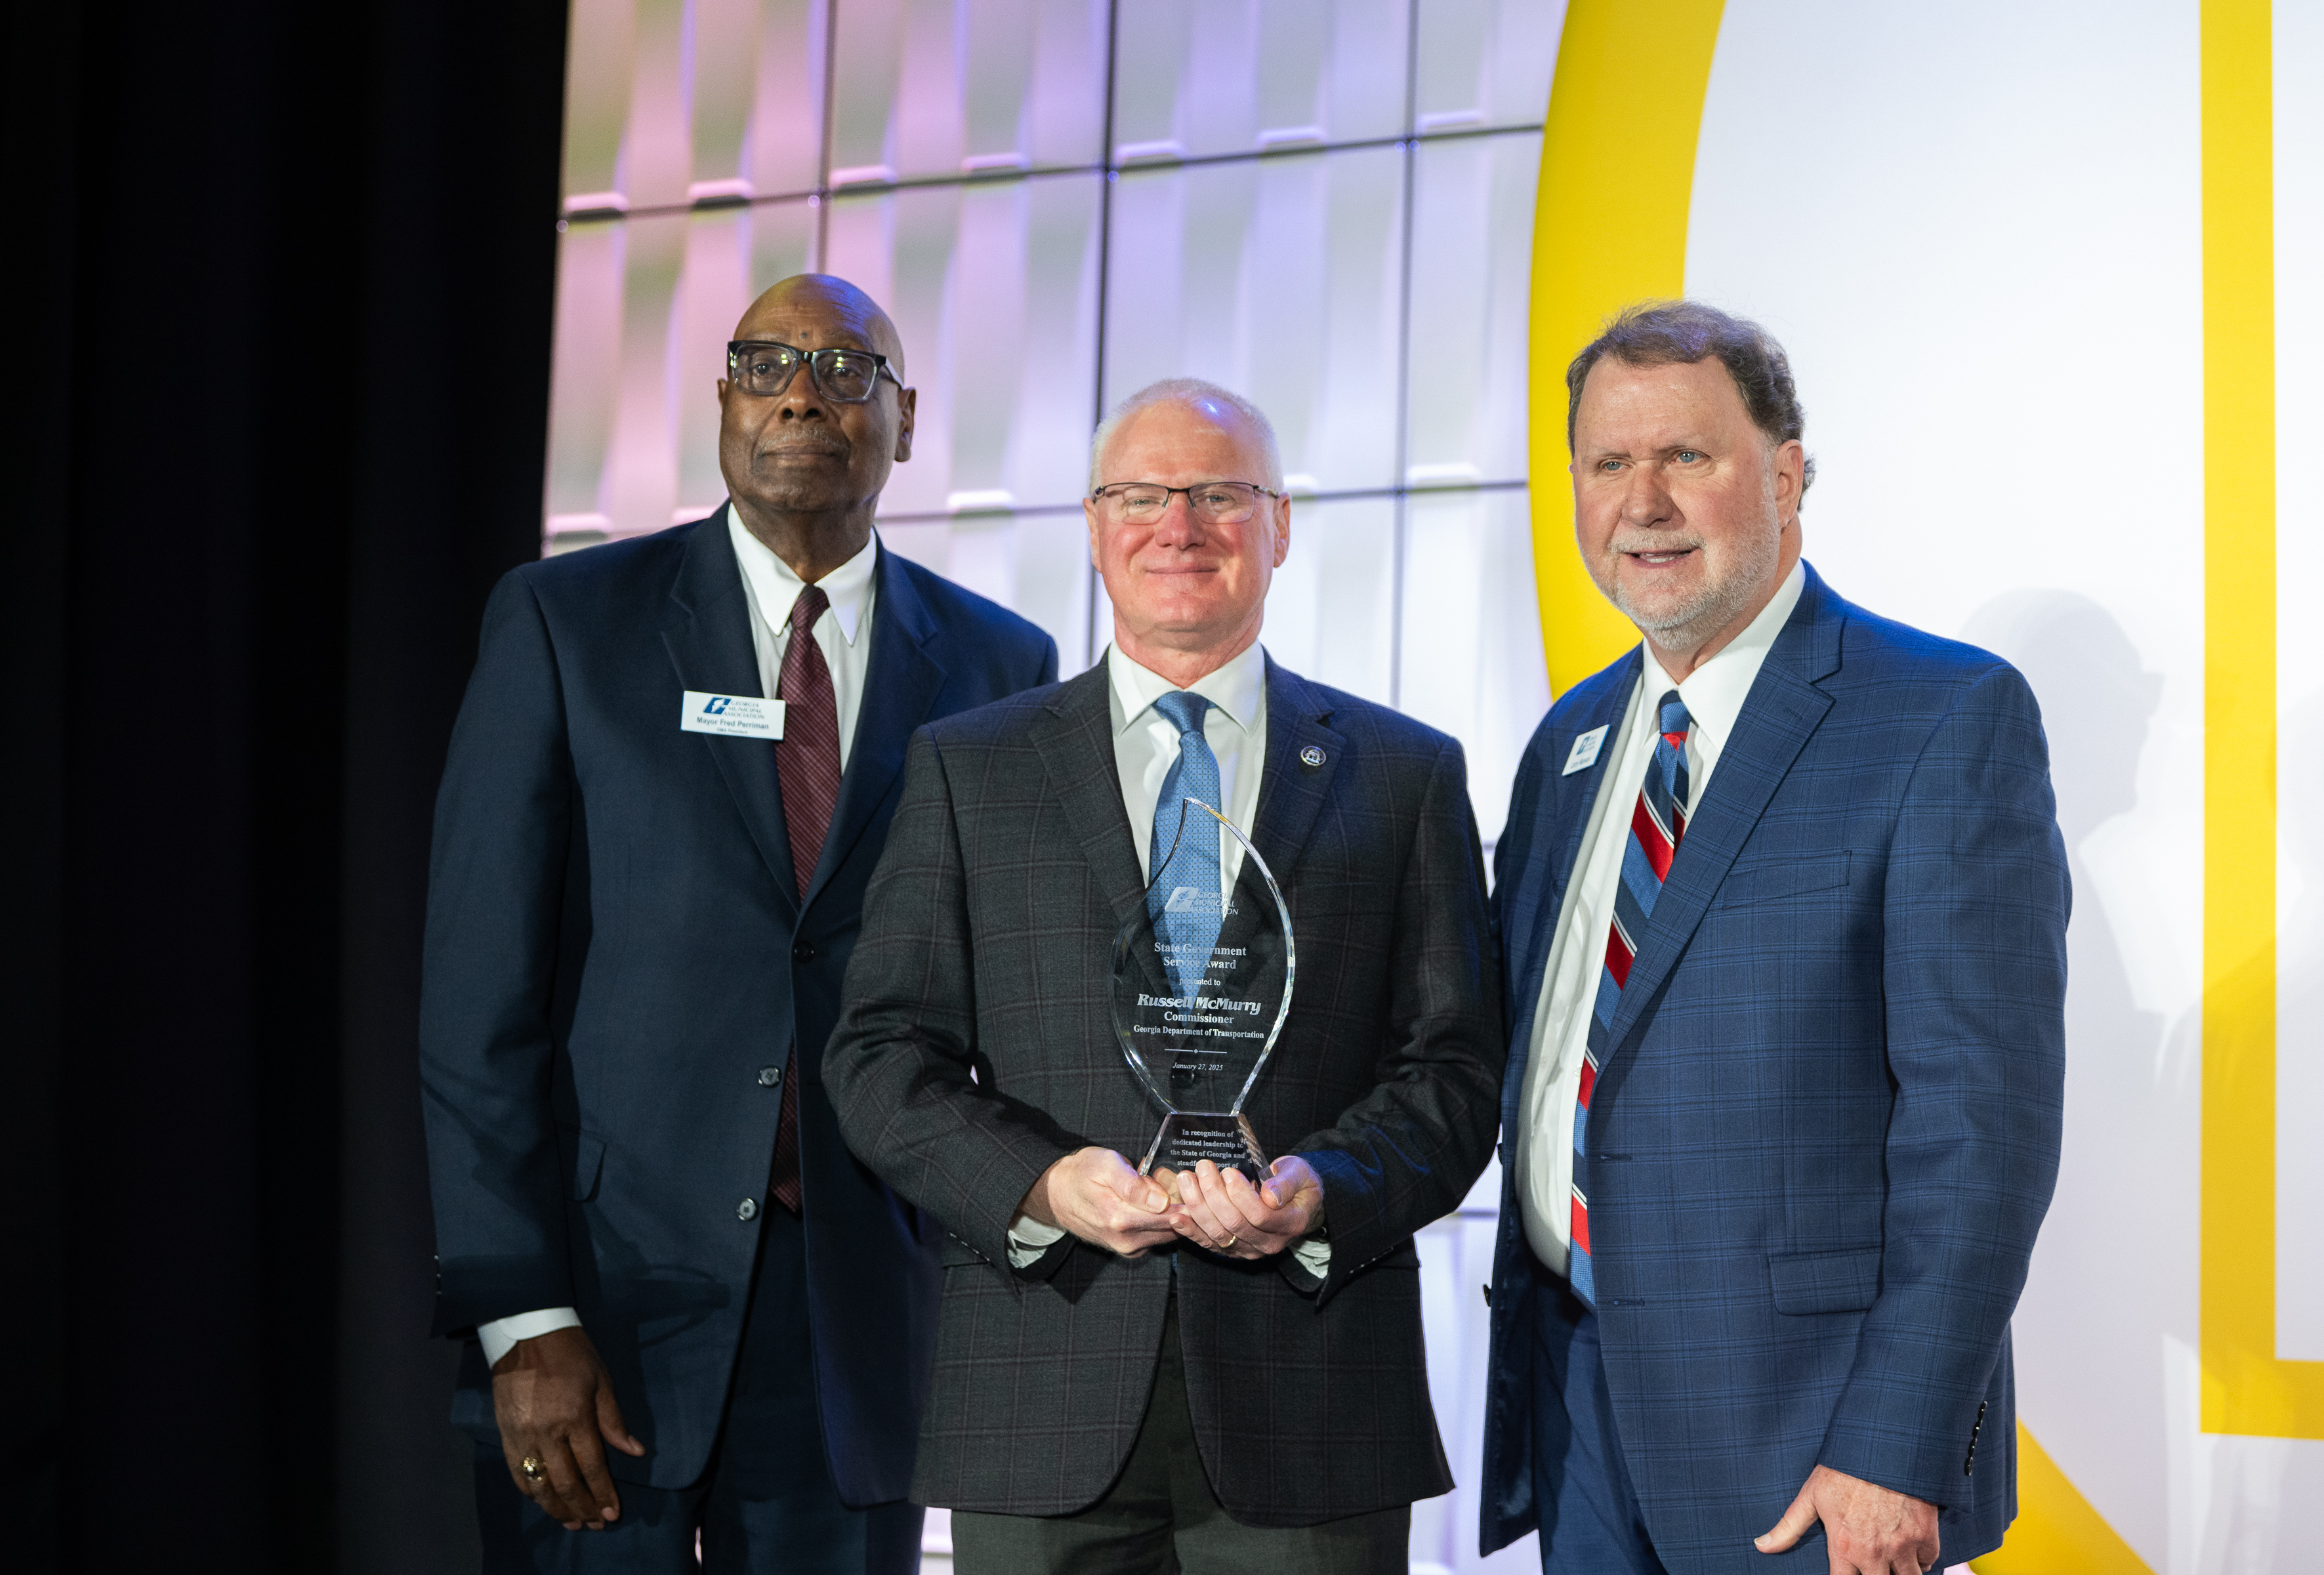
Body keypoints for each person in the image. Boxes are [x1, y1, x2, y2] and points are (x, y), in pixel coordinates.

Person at [419, 274, 1059, 1573]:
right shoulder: (567, 624)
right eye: (764, 365)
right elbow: (476, 1005)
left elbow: (1010, 1002)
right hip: (604, 1310)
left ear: (909, 418)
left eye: (842, 369)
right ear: (721, 399)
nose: (800, 398)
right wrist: (520, 1311)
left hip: (864, 1315)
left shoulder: (1005, 666)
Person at [821, 378, 1505, 1573]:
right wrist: (1042, 1187)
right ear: (1093, 527)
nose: (1176, 526)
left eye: (1220, 495)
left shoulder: (1405, 774)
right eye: (1139, 495)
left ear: (1281, 526)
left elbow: (1452, 1070)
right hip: (1043, 1382)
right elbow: (881, 1056)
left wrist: (1319, 1189)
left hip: (1314, 1395)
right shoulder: (968, 770)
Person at [1476, 301, 2067, 1575]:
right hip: (1581, 1409)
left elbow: (1982, 1132)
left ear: (1788, 473)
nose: (1643, 501)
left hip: (1810, 1443)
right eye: (1607, 464)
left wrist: (1899, 1444)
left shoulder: (1939, 720)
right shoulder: (1568, 749)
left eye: (1686, 456)